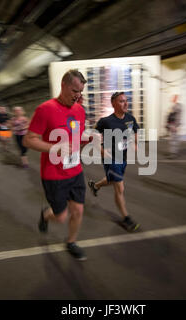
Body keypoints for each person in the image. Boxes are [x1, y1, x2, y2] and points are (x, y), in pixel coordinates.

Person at [23, 69, 88, 261]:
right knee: (60, 217)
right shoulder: (45, 109)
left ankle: (71, 242)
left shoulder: (79, 110)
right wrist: (55, 148)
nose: (78, 96)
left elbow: (77, 138)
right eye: (75, 91)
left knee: (78, 210)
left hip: (75, 170)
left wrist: (90, 139)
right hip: (53, 174)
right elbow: (29, 140)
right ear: (63, 85)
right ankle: (46, 215)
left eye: (80, 92)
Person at [87, 92, 140, 232]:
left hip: (123, 157)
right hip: (111, 159)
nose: (126, 103)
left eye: (126, 100)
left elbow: (135, 132)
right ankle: (126, 218)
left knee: (112, 181)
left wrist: (135, 144)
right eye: (122, 101)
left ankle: (96, 185)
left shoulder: (130, 118)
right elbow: (94, 137)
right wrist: (103, 151)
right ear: (113, 104)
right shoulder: (106, 121)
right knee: (119, 188)